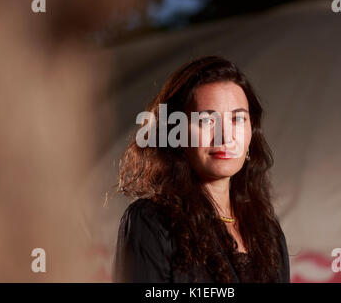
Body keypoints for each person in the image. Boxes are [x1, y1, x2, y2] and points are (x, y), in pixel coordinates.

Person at [112, 55, 290, 282]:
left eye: (237, 119)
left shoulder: (268, 232)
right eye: (206, 121)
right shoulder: (151, 222)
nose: (225, 137)